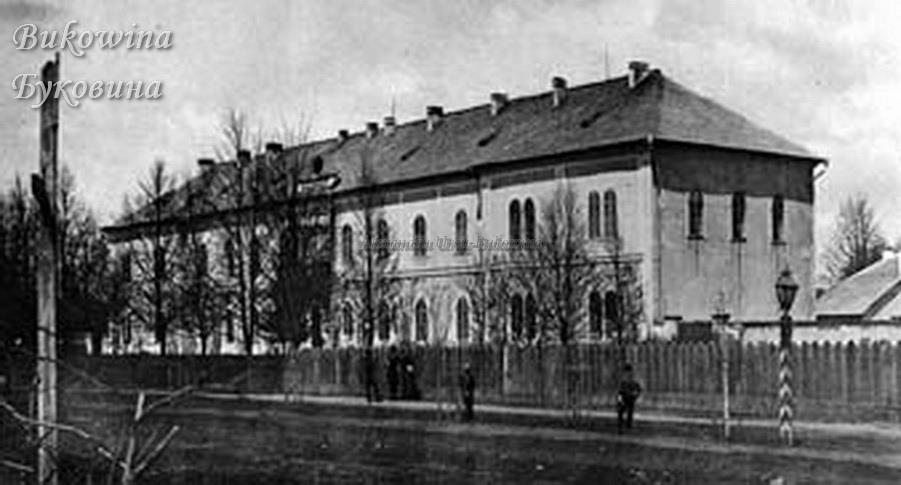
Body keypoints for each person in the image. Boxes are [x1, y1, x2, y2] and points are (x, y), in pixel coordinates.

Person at [617, 363, 641, 433]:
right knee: (621, 411)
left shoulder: (633, 380)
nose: (628, 373)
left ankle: (628, 425)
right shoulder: (623, 381)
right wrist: (620, 400)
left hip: (630, 398)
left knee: (629, 411)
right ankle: (621, 426)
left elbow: (638, 389)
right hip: (624, 397)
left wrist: (635, 395)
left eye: (629, 372)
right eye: (626, 372)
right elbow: (620, 391)